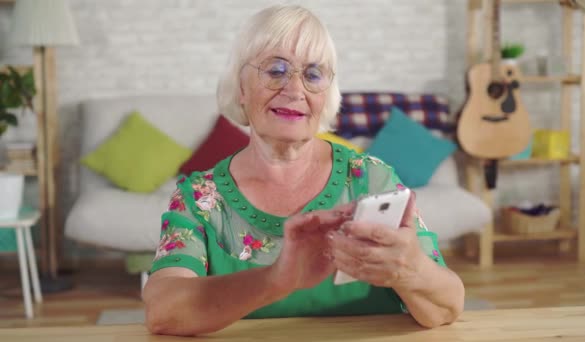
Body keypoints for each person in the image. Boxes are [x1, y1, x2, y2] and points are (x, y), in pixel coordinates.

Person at [143, 4, 464, 337]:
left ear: (325, 95)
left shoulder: (373, 179)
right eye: (275, 71)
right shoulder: (199, 198)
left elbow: (448, 305)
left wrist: (410, 270)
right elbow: (163, 311)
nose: (295, 90)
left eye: (312, 75)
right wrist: (276, 280)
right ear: (241, 87)